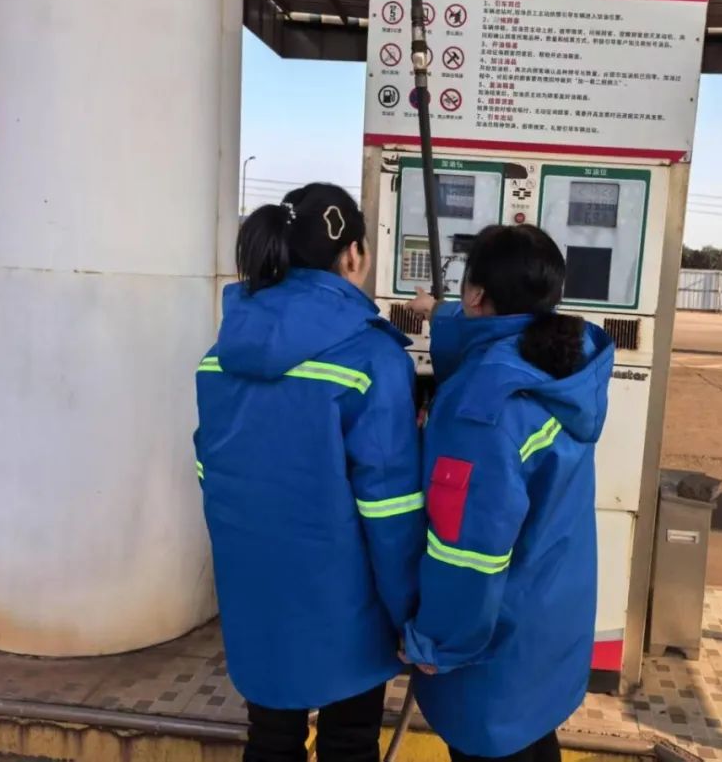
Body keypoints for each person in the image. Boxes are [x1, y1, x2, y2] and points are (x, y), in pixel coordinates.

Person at [194, 183, 423, 762]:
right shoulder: (373, 359)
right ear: (354, 255)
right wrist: (410, 612)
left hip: (255, 587)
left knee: (271, 739)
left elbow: (209, 469)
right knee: (349, 742)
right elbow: (390, 509)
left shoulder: (220, 355)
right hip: (349, 599)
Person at [402, 225, 615, 762]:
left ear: (476, 294)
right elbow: (487, 333)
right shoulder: (564, 365)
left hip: (492, 650)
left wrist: (435, 643)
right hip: (548, 630)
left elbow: (467, 553)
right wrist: (438, 313)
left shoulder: (482, 409)